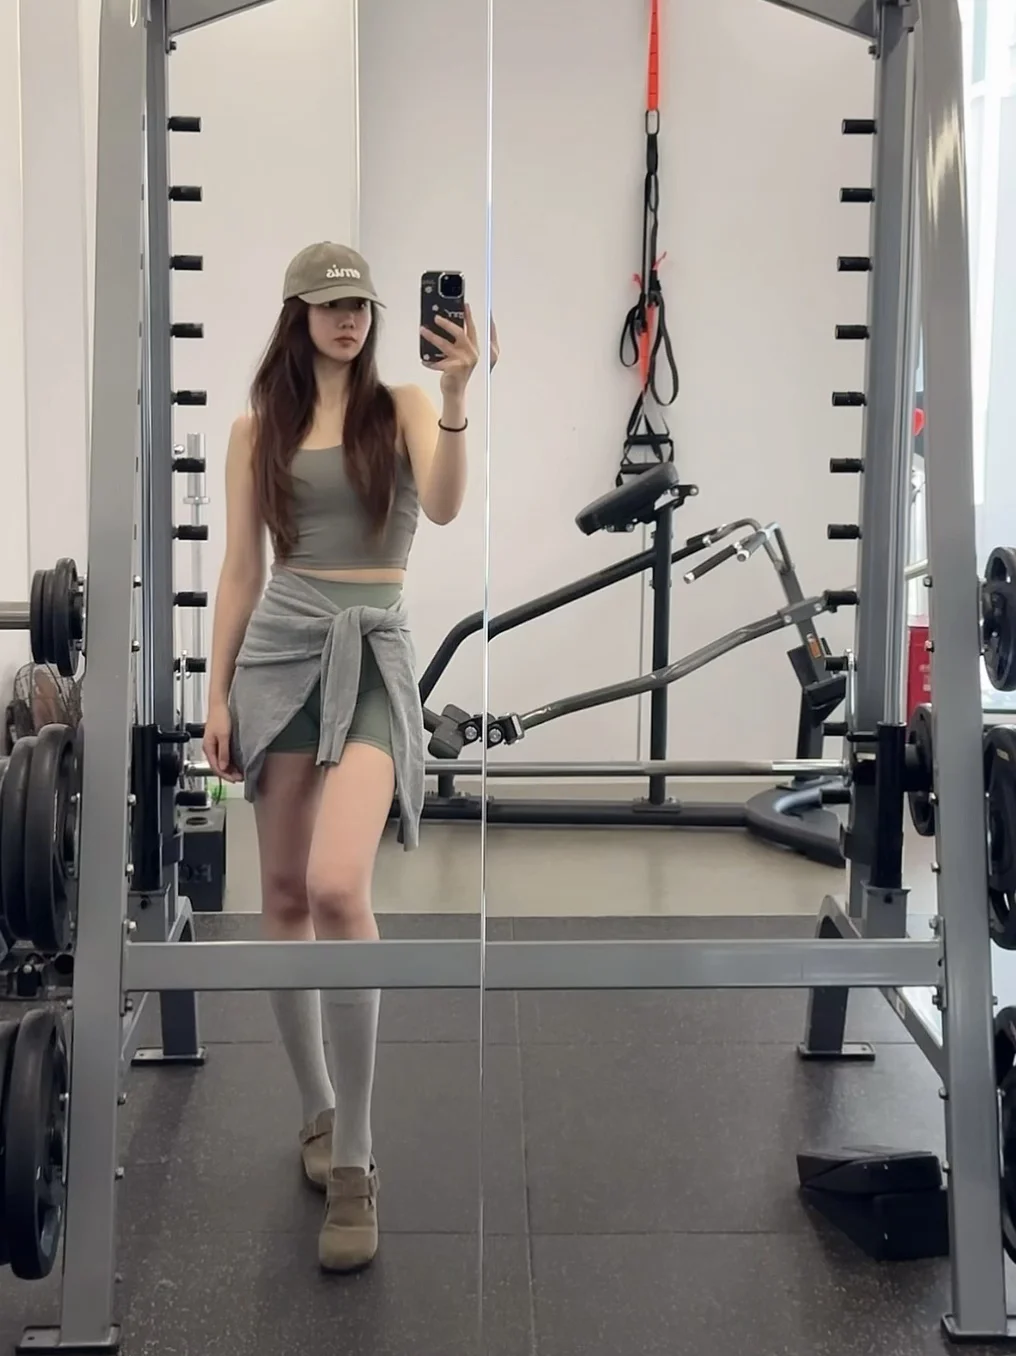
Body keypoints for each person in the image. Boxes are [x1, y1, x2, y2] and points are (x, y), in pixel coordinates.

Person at [202, 241, 497, 1274]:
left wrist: (455, 394)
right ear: (297, 315)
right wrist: (215, 694)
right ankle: (318, 1112)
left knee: (337, 885)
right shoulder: (256, 429)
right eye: (329, 306)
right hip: (280, 649)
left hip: (372, 653)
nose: (347, 320)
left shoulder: (404, 407)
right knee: (283, 895)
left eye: (360, 305)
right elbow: (241, 570)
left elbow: (445, 506)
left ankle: (359, 1156)